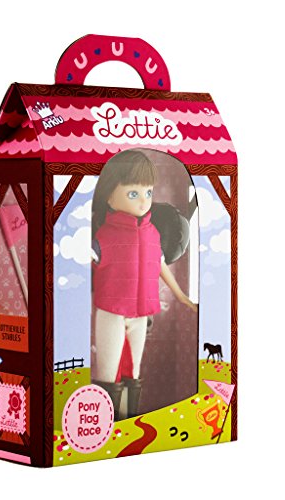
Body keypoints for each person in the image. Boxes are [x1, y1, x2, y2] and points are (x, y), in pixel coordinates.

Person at [91, 149, 198, 421]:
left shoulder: (152, 234)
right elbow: (88, 261)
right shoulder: (104, 235)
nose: (143, 201)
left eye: (148, 192)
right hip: (112, 311)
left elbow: (159, 265)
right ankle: (107, 424)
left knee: (134, 370)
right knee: (108, 372)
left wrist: (182, 296)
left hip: (141, 314)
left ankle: (127, 423)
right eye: (133, 193)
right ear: (109, 196)